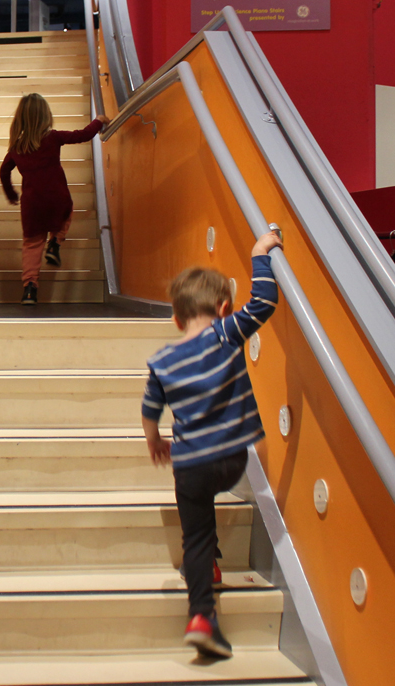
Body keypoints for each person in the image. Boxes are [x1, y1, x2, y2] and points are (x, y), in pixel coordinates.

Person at [141, 231, 282, 659]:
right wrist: (260, 255)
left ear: (176, 318)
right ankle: (215, 561)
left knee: (196, 536)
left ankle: (202, 615)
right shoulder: (226, 333)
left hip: (189, 465)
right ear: (223, 308)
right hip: (231, 459)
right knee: (207, 510)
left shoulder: (163, 361)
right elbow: (264, 303)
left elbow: (149, 410)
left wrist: (156, 442)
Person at [0, 93, 109, 304]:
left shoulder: (17, 149)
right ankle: (56, 243)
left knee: (32, 245)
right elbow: (82, 135)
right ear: (46, 116)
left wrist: (12, 194)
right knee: (65, 214)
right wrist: (99, 120)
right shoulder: (53, 137)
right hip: (57, 197)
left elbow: (4, 171)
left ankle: (30, 288)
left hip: (32, 204)